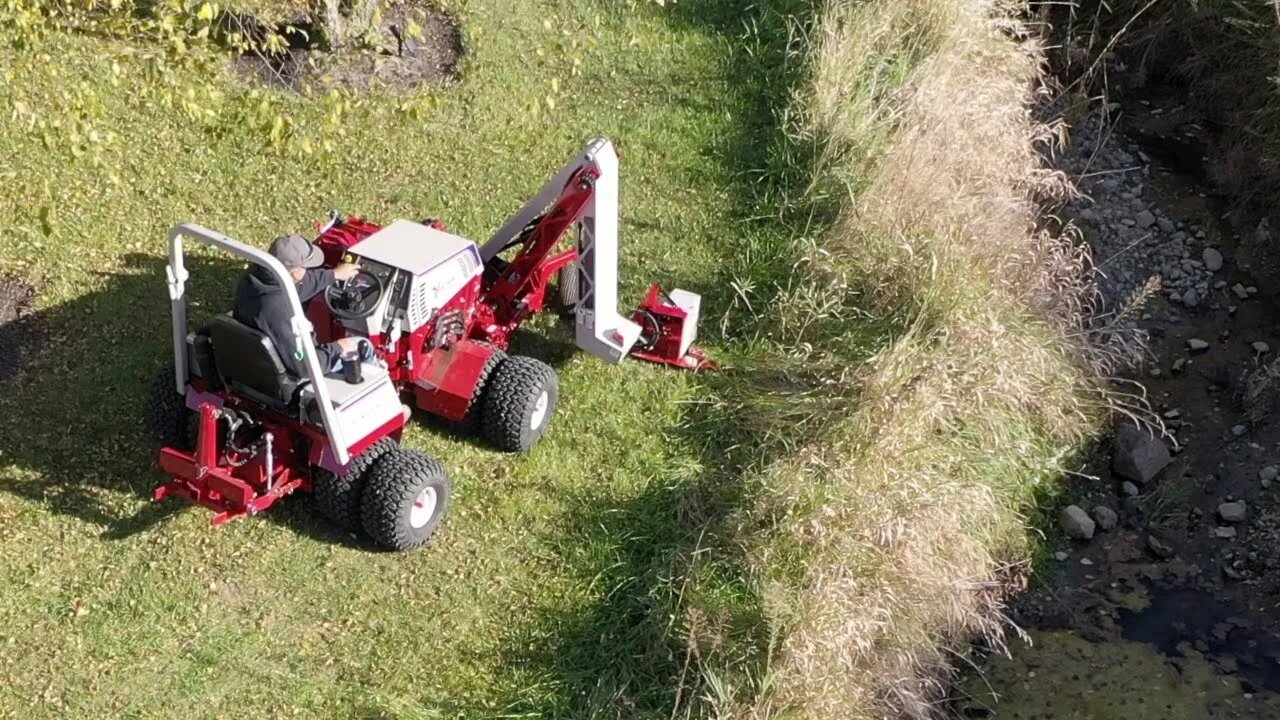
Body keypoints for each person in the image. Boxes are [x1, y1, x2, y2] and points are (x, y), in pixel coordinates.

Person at [233, 233, 366, 378]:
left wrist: (333, 275)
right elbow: (304, 367)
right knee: (362, 345)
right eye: (306, 268)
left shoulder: (256, 279)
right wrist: (338, 347)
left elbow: (302, 285)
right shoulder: (281, 310)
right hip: (294, 374)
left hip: (257, 360)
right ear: (295, 274)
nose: (309, 271)